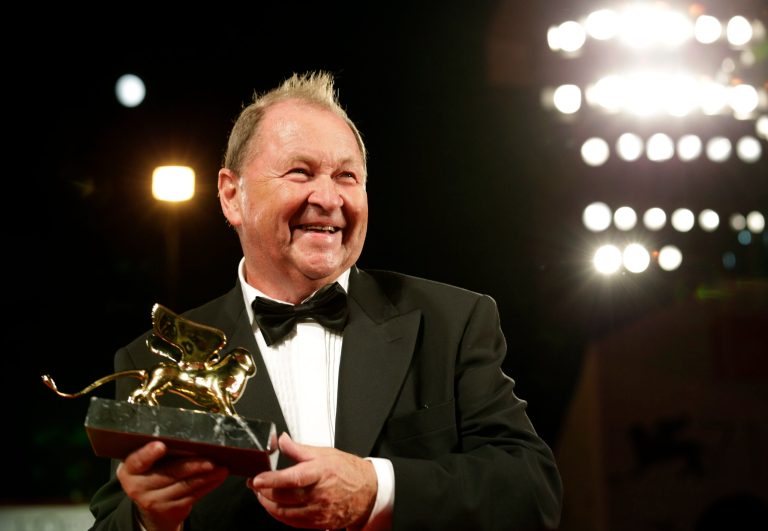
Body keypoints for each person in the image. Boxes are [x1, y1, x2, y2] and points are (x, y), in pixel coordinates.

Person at [88, 71, 562, 530]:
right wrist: (151, 521)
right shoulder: (152, 358)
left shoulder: (453, 323)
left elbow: (532, 491)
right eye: (301, 171)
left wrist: (378, 488)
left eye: (347, 176)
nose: (330, 197)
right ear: (233, 196)